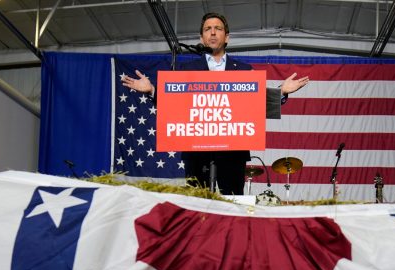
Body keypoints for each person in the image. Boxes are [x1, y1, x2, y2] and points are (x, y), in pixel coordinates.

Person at [121, 12, 309, 195]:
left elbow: (257, 106)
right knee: (198, 206)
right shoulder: (186, 70)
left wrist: (281, 91)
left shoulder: (244, 70)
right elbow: (175, 106)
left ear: (227, 37)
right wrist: (152, 90)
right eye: (207, 29)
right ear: (201, 38)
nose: (212, 32)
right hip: (196, 153)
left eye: (218, 28)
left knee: (233, 204)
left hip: (233, 153)